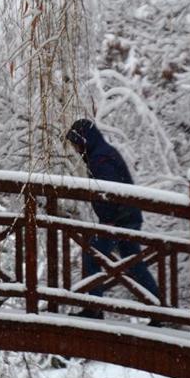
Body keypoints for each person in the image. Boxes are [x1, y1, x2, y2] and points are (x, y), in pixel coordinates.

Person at [65, 119, 160, 319]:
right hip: (127, 216)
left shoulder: (101, 159)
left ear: (84, 141)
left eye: (75, 144)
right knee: (133, 264)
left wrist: (108, 220)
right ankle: (159, 310)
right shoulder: (102, 154)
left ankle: (95, 307)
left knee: (92, 257)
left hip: (118, 219)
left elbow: (109, 192)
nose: (74, 150)